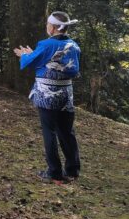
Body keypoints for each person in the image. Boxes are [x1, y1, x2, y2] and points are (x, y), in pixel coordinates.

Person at [14, 11, 81, 184]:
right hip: (66, 95)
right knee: (67, 132)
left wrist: (25, 55)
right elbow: (69, 68)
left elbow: (31, 62)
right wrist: (34, 54)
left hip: (46, 95)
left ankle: (54, 172)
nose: (46, 27)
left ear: (52, 27)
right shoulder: (73, 45)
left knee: (49, 132)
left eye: (47, 25)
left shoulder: (45, 44)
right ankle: (72, 170)